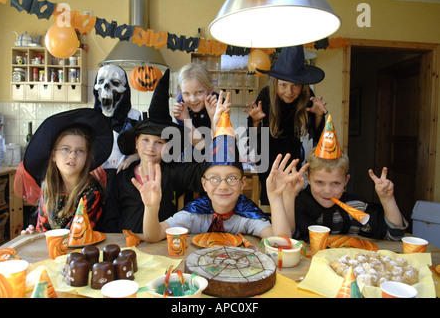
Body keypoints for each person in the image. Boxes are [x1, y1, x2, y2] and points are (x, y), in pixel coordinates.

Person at [134, 112, 308, 242]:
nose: (223, 186)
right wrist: (151, 207)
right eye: (214, 179)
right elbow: (153, 235)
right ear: (204, 184)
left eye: (232, 178)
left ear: (242, 184)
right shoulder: (194, 214)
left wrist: (276, 198)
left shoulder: (247, 215)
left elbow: (281, 240)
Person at [100, 70, 231, 233]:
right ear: (136, 143)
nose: (150, 148)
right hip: (126, 247)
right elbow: (109, 222)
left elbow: (213, 170)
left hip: (162, 245)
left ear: (168, 145)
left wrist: (216, 122)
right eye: (145, 140)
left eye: (159, 142)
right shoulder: (122, 177)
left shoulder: (174, 172)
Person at [285, 116, 408, 241]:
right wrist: (289, 196)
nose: (327, 191)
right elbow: (286, 239)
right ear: (308, 179)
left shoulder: (356, 208)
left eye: (335, 183)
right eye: (319, 182)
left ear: (346, 182)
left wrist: (387, 199)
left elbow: (395, 236)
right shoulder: (297, 207)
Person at [244, 45, 328, 205]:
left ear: (302, 85)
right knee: (269, 203)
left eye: (295, 85)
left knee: (290, 203)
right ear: (276, 83)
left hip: (293, 160)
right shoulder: (266, 96)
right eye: (283, 85)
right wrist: (255, 121)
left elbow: (317, 136)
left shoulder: (308, 97)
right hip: (267, 160)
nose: (289, 91)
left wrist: (318, 116)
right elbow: (253, 141)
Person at [17, 108, 113, 233]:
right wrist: (34, 235)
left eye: (80, 150)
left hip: (82, 250)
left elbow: (75, 235)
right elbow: (42, 229)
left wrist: (45, 238)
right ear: (53, 156)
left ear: (87, 158)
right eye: (65, 149)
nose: (72, 155)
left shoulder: (92, 192)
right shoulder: (48, 189)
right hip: (56, 250)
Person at [172, 62, 221, 150]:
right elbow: (201, 146)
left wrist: (213, 117)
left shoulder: (218, 103)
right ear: (181, 91)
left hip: (215, 155)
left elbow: (214, 145)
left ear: (210, 90)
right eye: (186, 93)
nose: (193, 99)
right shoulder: (181, 108)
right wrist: (186, 120)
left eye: (199, 92)